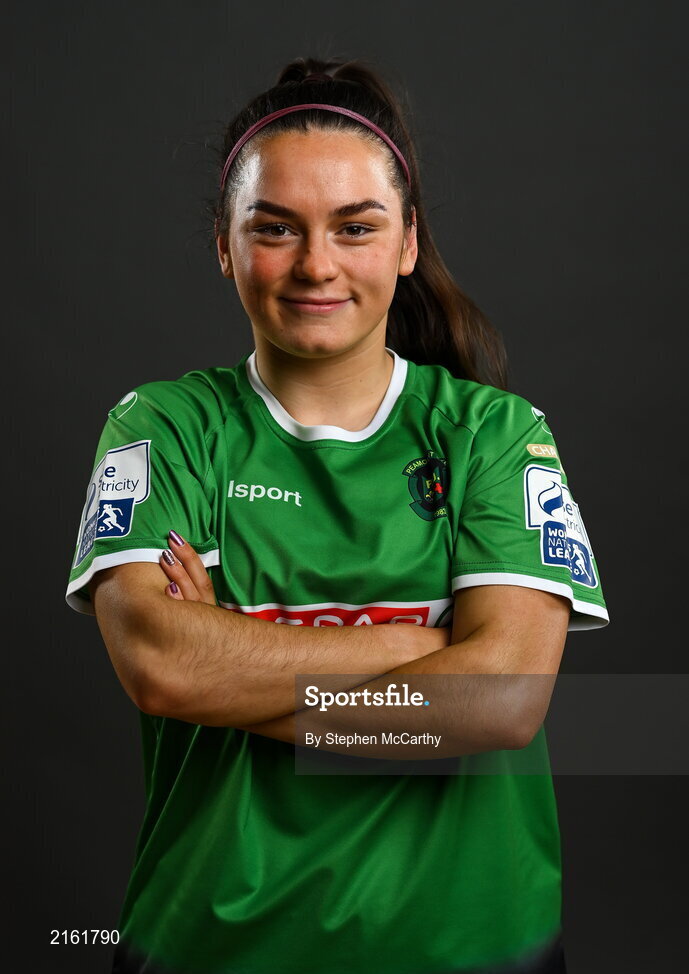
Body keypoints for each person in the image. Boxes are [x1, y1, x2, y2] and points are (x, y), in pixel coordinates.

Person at [65, 56, 609, 974]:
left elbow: (502, 698)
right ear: (225, 244)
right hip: (212, 944)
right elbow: (163, 667)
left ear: (405, 241)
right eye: (275, 228)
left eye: (354, 228)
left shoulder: (493, 435)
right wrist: (412, 650)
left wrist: (234, 659)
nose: (316, 264)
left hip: (474, 946)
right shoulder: (162, 427)